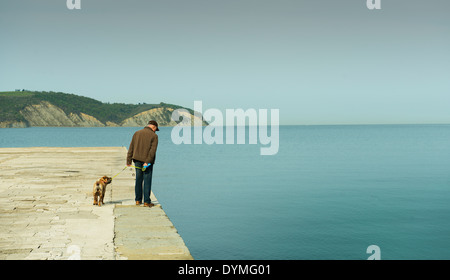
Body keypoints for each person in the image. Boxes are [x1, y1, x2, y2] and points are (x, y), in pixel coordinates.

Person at [126, 120, 159, 207]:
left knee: (138, 180)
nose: (155, 131)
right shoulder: (154, 136)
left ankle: (138, 200)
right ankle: (146, 201)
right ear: (153, 127)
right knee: (147, 181)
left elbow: (131, 147)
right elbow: (152, 151)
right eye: (156, 129)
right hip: (147, 162)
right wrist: (147, 162)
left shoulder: (137, 133)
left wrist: (128, 160)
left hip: (136, 160)